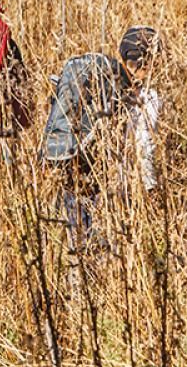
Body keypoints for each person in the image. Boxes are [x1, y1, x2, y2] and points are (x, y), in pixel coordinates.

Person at [41, 25, 163, 255]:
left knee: (76, 236)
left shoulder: (102, 77)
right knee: (97, 244)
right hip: (98, 177)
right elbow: (144, 145)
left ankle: (78, 280)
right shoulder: (141, 97)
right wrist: (150, 189)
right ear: (149, 63)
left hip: (69, 159)